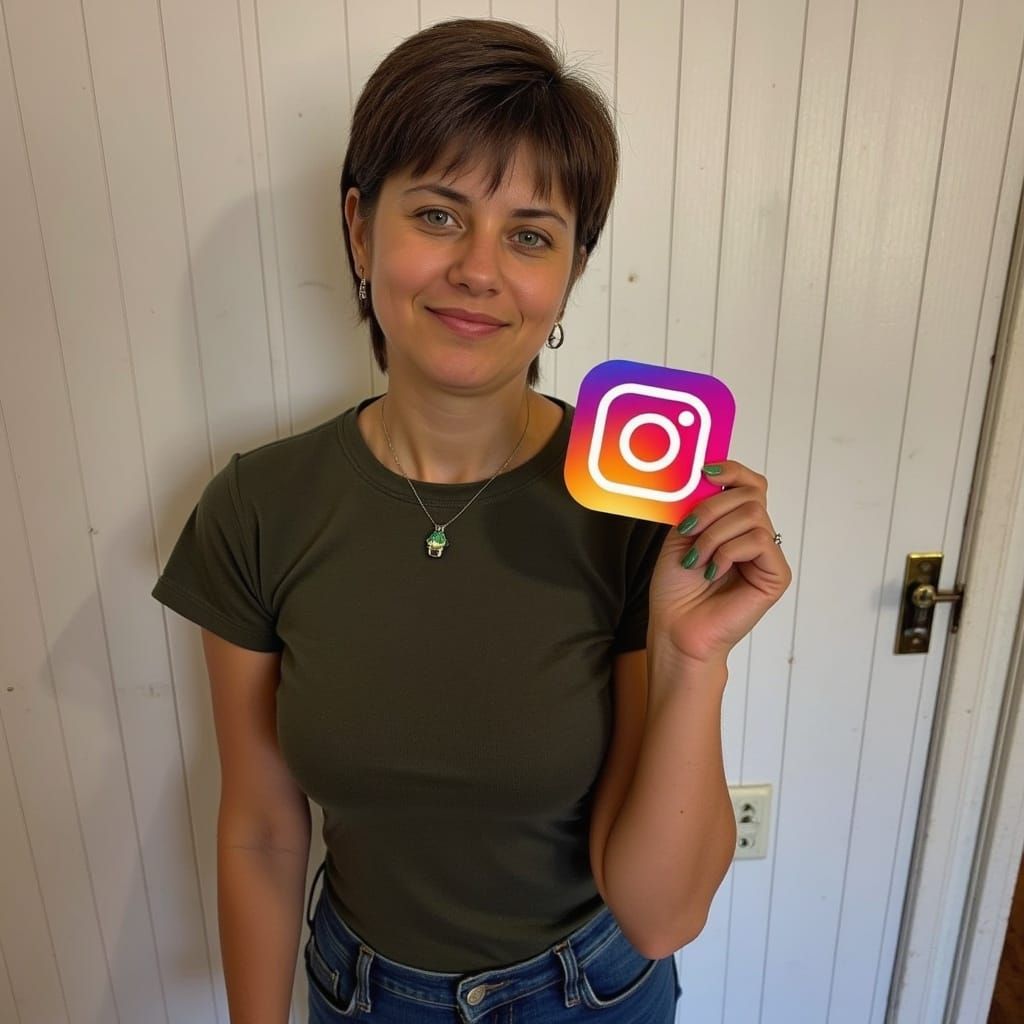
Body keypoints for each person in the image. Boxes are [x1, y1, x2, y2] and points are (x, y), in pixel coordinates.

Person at [152, 17, 791, 1023]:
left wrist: (694, 654)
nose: (480, 270)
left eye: (530, 234)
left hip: (593, 992)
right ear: (360, 229)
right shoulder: (255, 506)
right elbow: (264, 828)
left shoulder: (637, 513)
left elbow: (659, 915)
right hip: (359, 995)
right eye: (440, 216)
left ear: (570, 271)